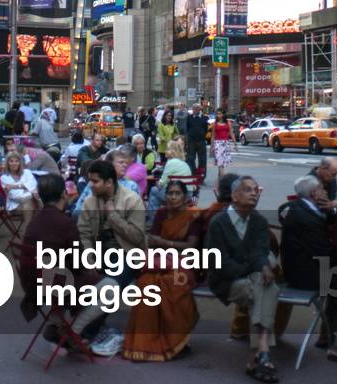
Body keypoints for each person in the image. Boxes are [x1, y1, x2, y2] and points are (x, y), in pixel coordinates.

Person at [18, 173, 122, 357]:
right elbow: (78, 262)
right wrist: (92, 268)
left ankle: (56, 324)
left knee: (72, 277)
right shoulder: (65, 222)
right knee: (111, 287)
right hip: (53, 285)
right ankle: (72, 331)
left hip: (33, 284)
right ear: (64, 194)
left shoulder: (34, 221)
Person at [281, 175, 337, 363]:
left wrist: (331, 210)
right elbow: (324, 253)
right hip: (311, 275)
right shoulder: (307, 218)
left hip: (302, 271)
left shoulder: (299, 208)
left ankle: (330, 337)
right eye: (322, 188)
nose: (326, 191)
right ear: (314, 193)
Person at [206, 176, 280, 382]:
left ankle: (261, 354)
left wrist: (263, 266)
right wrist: (255, 268)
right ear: (234, 196)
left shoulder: (259, 221)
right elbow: (219, 263)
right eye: (248, 190)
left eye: (256, 189)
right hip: (225, 281)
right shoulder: (218, 223)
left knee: (266, 288)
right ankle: (260, 355)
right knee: (265, 289)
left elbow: (259, 252)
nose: (254, 193)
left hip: (251, 277)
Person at [123, 179, 200, 361]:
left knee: (172, 285)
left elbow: (190, 247)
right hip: (159, 261)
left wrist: (165, 244)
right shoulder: (161, 213)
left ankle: (176, 340)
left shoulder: (194, 215)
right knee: (146, 283)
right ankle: (146, 342)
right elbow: (152, 241)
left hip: (184, 263)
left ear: (185, 196)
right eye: (170, 193)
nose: (173, 197)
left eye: (177, 193)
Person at [77, 159, 146, 259]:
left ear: (109, 182)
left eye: (95, 181)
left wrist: (113, 216)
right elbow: (84, 234)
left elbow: (137, 237)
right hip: (97, 253)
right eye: (90, 181)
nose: (90, 185)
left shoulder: (132, 200)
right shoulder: (89, 202)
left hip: (126, 254)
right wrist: (89, 260)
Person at [148, 139, 192, 215]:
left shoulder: (171, 162)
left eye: (168, 149)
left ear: (173, 151)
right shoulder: (183, 163)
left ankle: (155, 220)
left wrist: (158, 184)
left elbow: (162, 183)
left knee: (153, 190)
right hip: (188, 194)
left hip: (177, 194)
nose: (165, 151)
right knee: (154, 198)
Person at [0, 151, 39, 223]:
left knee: (29, 202)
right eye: (11, 161)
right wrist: (27, 189)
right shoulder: (4, 177)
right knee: (30, 201)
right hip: (15, 207)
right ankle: (30, 227)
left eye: (16, 161)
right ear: (7, 163)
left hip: (30, 203)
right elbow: (16, 196)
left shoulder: (27, 172)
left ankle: (28, 229)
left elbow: (34, 185)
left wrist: (15, 186)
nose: (14, 163)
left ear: (20, 162)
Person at [211, 109, 238, 182]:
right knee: (220, 163)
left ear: (223, 114)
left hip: (226, 144)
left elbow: (232, 133)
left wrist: (235, 143)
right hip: (217, 144)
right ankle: (224, 181)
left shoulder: (228, 123)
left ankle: (220, 180)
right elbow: (213, 136)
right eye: (217, 114)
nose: (218, 115)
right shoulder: (215, 123)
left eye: (219, 114)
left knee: (222, 164)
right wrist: (211, 147)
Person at [186, 102, 209, 180]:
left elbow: (206, 129)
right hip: (191, 140)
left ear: (199, 110)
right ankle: (193, 173)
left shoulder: (204, 118)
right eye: (193, 109)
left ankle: (201, 176)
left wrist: (202, 135)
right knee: (190, 158)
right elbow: (187, 128)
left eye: (196, 109)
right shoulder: (189, 117)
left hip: (201, 141)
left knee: (202, 159)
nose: (194, 110)